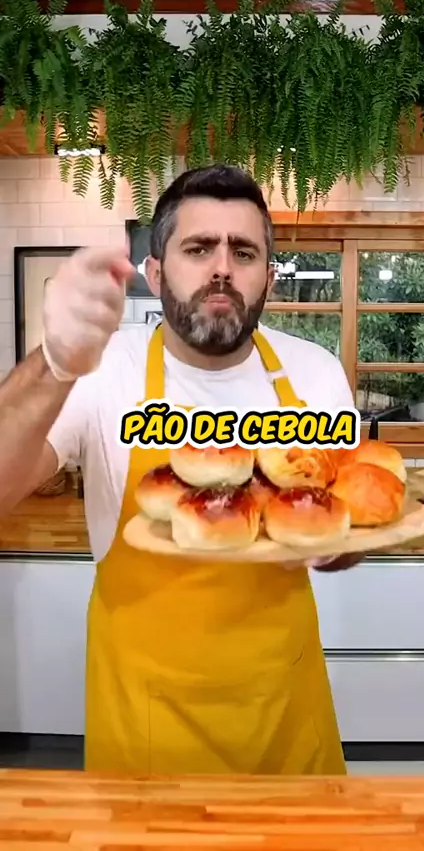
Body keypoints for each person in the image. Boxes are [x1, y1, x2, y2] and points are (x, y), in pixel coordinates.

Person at [0, 163, 361, 776]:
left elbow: (351, 529)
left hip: (284, 709)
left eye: (243, 251)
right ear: (155, 272)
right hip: (145, 717)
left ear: (269, 277)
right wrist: (52, 362)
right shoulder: (101, 370)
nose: (222, 267)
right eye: (198, 248)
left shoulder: (316, 373)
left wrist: (336, 545)